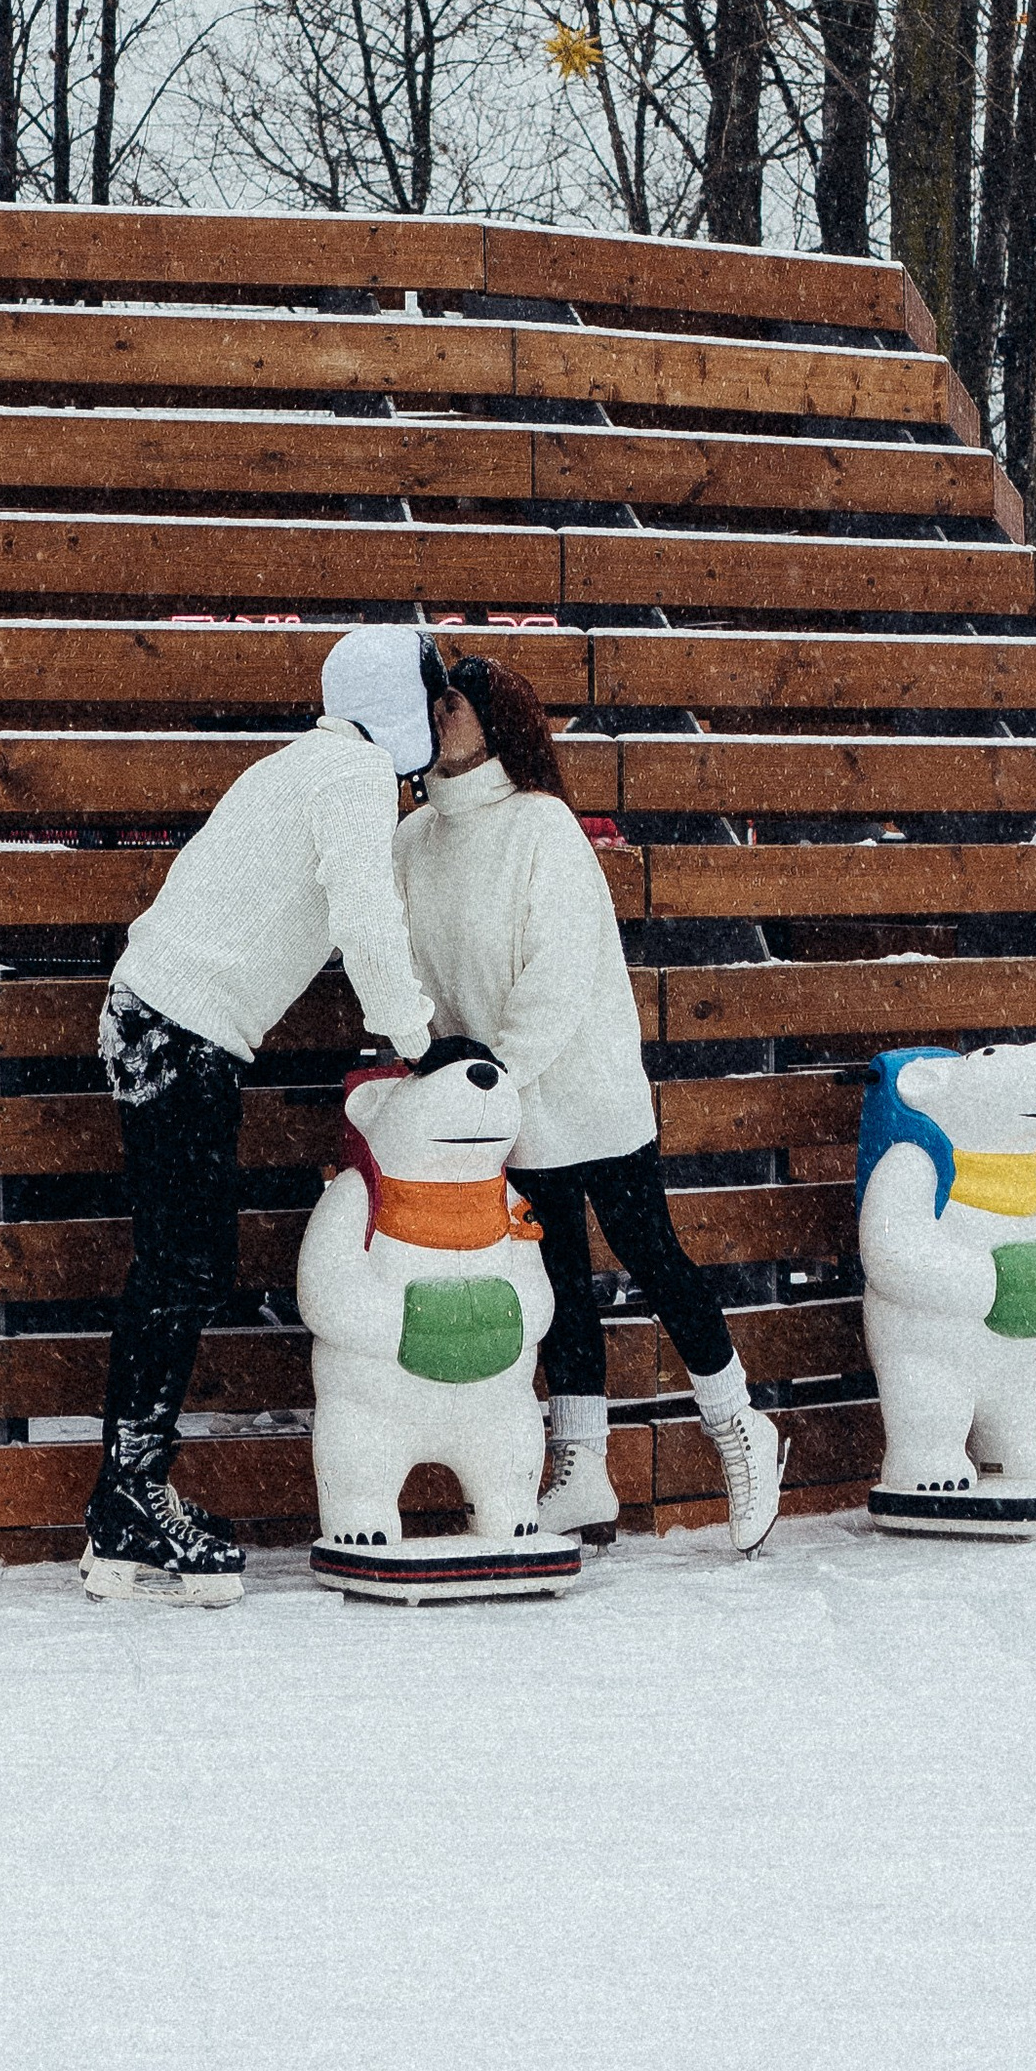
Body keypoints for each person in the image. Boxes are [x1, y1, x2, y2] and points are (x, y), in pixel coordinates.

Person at [394, 651, 785, 1555]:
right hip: (502, 1105)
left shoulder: (543, 826)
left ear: (498, 724)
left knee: (653, 1259)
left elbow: (558, 978)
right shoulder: (413, 841)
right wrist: (442, 1066)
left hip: (584, 1089)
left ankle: (740, 1428)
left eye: (455, 704)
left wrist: (495, 1071)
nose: (441, 716)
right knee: (559, 1282)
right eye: (436, 704)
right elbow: (412, 968)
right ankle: (583, 1469)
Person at [82, 627, 440, 1602]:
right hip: (181, 1029)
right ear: (400, 706)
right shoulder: (354, 774)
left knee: (178, 1263)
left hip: (156, 1016)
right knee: (182, 1266)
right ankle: (128, 1503)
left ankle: (126, 1499)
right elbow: (365, 919)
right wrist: (416, 1036)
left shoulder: (303, 763)